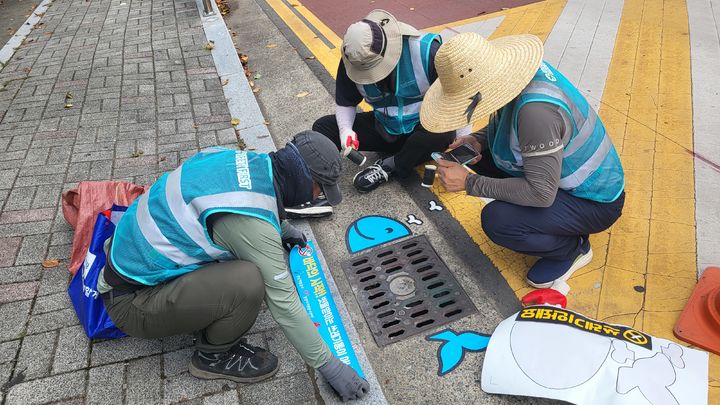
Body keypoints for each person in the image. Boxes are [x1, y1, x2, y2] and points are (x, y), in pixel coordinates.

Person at [98, 131, 369, 402]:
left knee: (245, 263)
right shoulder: (252, 228)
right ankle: (212, 355)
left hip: (124, 260)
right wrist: (331, 367)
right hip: (132, 302)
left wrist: (283, 228)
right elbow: (284, 304)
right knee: (249, 281)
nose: (319, 196)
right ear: (302, 178)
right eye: (320, 188)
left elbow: (245, 198)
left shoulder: (240, 160)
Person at [420, 33, 625, 288]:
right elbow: (508, 123)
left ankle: (571, 248)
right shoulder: (515, 76)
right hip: (564, 179)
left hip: (593, 202)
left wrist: (469, 184)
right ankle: (559, 224)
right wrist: (477, 140)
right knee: (480, 159)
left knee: (498, 220)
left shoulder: (536, 113)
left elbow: (541, 194)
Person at [302, 9, 469, 211]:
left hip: (424, 131)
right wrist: (346, 130)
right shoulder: (353, 58)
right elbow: (346, 102)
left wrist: (462, 147)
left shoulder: (427, 51)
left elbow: (458, 96)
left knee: (442, 132)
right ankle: (322, 180)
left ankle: (390, 166)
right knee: (323, 127)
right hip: (385, 128)